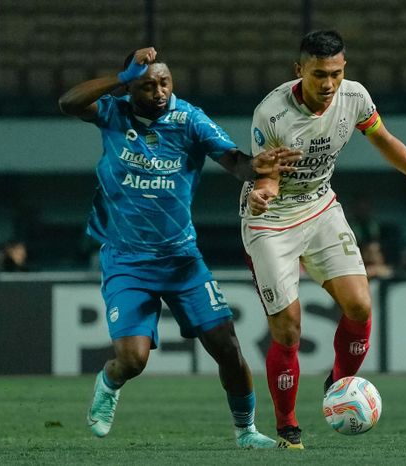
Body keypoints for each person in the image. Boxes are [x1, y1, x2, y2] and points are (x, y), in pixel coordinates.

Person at [58, 47, 302, 449]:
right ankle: (109, 382)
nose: (159, 92)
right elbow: (68, 103)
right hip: (126, 260)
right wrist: (120, 79)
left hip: (182, 259)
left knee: (227, 346)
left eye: (165, 82)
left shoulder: (190, 119)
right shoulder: (113, 112)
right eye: (148, 84)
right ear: (130, 87)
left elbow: (235, 162)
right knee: (133, 360)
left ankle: (246, 432)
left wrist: (259, 167)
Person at [240, 30, 406, 449]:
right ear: (299, 71)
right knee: (288, 329)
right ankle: (288, 428)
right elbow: (267, 174)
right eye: (319, 74)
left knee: (360, 305)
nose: (329, 84)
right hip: (271, 219)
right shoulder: (271, 114)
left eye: (337, 74)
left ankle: (338, 385)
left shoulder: (355, 97)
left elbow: (381, 137)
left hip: (321, 206)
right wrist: (262, 195)